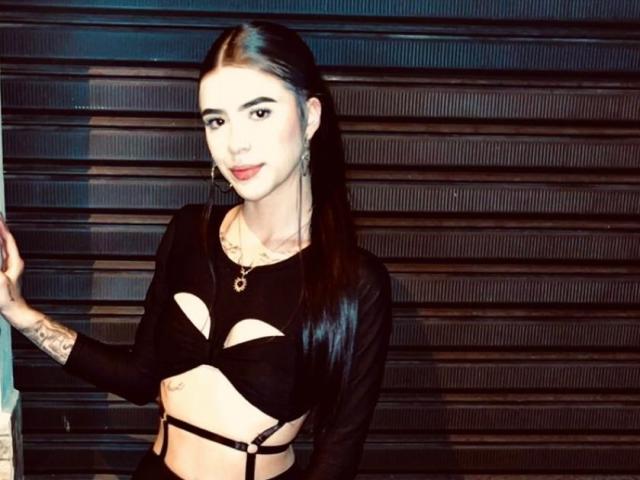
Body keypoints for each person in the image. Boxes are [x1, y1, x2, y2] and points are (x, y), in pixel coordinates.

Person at [0, 21, 391, 480]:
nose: (235, 143)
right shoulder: (189, 231)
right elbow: (138, 377)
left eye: (259, 112)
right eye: (217, 120)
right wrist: (19, 312)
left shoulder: (353, 282)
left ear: (311, 117)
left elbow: (337, 454)